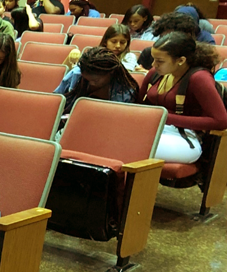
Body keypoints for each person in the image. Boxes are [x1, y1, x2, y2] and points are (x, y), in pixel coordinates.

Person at [138, 32, 227, 163]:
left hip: (186, 138)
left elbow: (221, 121)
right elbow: (139, 103)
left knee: (132, 145)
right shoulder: (155, 73)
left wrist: (165, 117)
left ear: (181, 60)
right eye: (153, 59)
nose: (153, 65)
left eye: (159, 61)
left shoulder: (199, 78)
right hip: (153, 129)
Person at [54, 47, 137, 119]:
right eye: (87, 79)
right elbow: (56, 99)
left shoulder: (125, 91)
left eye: (95, 80)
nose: (91, 83)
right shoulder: (76, 74)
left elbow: (119, 119)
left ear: (110, 73)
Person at [136, 12, 203, 71]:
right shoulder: (148, 53)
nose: (165, 42)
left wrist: (149, 74)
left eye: (171, 39)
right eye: (162, 38)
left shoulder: (199, 60)